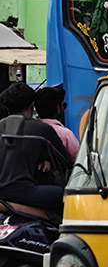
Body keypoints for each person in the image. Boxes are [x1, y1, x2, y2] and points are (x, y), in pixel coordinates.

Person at [0, 83, 71, 222]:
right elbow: (66, 162)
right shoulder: (41, 129)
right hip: (23, 192)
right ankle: (51, 219)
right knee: (65, 195)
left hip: (4, 193)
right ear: (32, 106)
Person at [34, 84, 80, 159]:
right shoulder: (66, 135)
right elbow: (78, 158)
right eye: (63, 105)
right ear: (58, 108)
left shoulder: (31, 131)